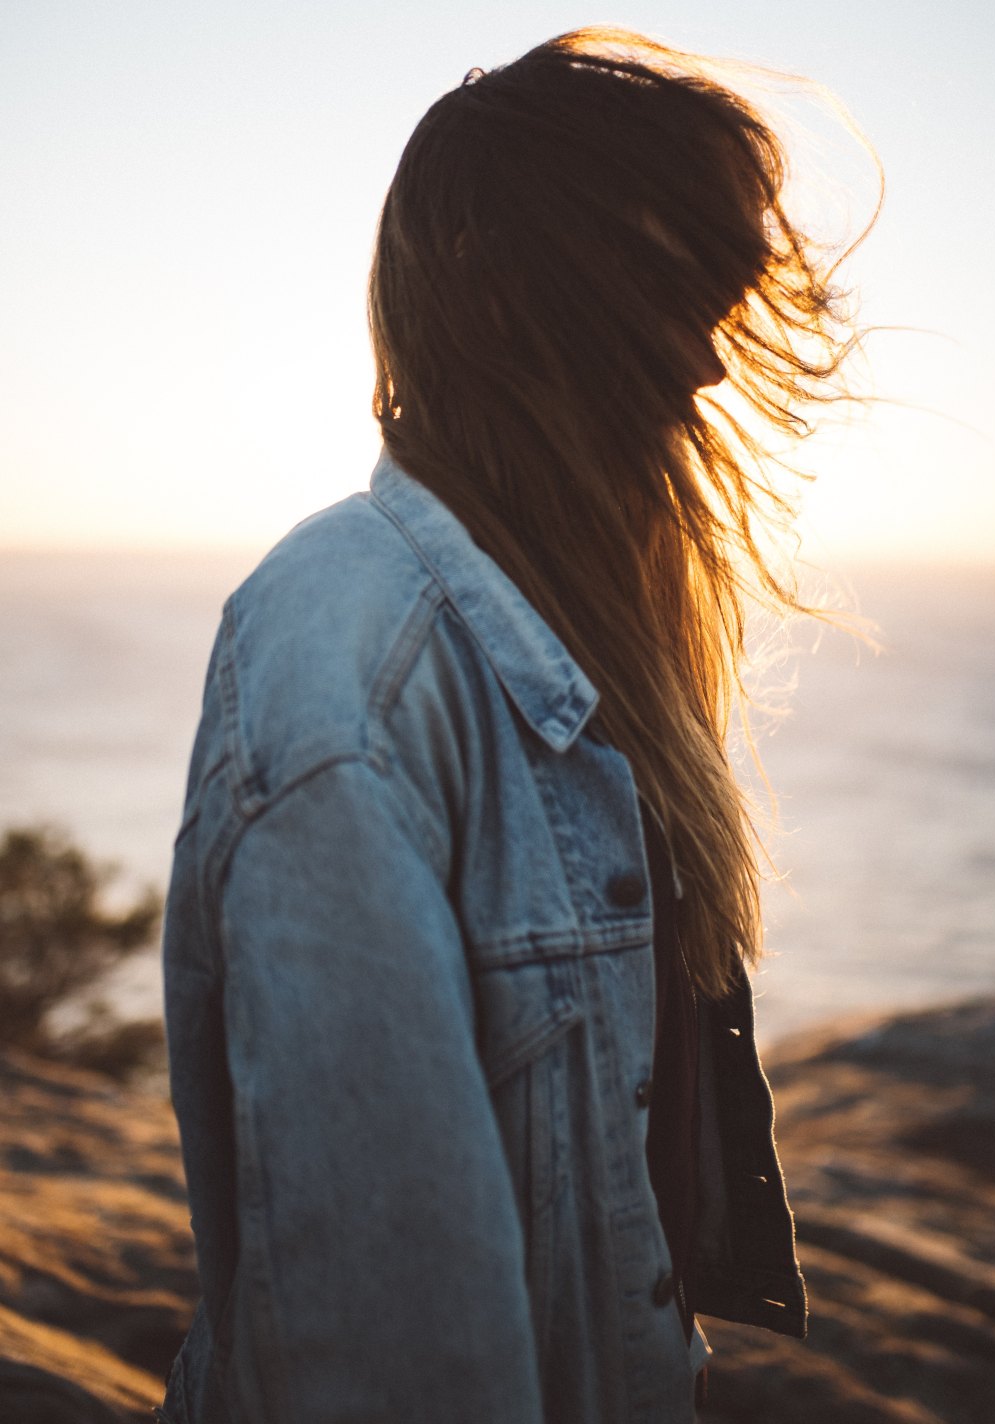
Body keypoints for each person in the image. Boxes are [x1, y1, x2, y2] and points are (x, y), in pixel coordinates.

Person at [159, 26, 865, 1424]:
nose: (708, 373)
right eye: (673, 294)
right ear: (500, 295)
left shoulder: (575, 641)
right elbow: (391, 1356)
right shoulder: (352, 667)